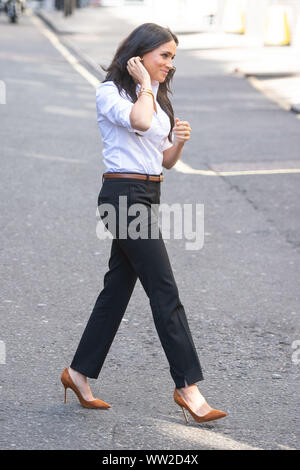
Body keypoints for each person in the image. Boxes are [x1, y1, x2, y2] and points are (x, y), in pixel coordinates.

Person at [61, 22, 227, 424]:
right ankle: (187, 387)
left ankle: (78, 373)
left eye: (173, 58)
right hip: (123, 196)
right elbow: (138, 121)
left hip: (148, 194)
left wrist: (179, 142)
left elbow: (163, 160)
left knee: (116, 291)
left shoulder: (158, 97)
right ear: (138, 55)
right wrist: (145, 87)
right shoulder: (111, 92)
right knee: (163, 288)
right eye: (164, 56)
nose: (169, 65)